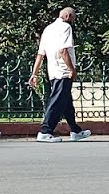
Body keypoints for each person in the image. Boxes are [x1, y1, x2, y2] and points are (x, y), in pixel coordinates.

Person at [29, 8, 90, 143]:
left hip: (53, 71)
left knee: (67, 102)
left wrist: (35, 74)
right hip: (64, 71)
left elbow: (40, 55)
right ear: (68, 16)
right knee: (57, 101)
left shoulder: (48, 29)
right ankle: (45, 131)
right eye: (73, 18)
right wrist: (72, 69)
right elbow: (63, 51)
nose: (73, 21)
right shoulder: (66, 27)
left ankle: (76, 130)